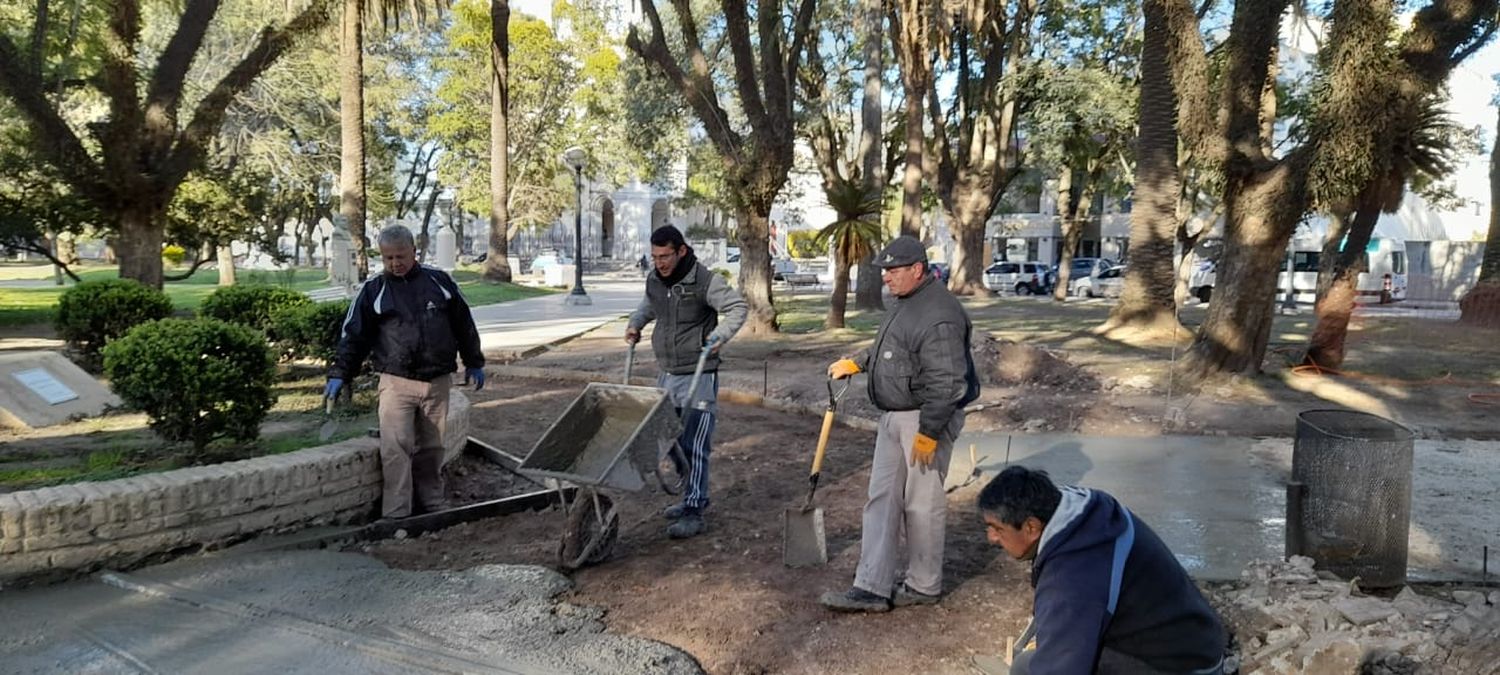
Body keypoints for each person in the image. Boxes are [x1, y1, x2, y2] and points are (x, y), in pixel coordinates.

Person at [820, 235, 980, 612]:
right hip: (894, 416)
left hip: (924, 418)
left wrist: (929, 432)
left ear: (917, 270)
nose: (886, 278)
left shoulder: (939, 313)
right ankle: (872, 586)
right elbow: (891, 349)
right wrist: (859, 362)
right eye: (884, 271)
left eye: (893, 271)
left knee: (921, 504)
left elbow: (948, 382)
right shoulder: (907, 301)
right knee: (882, 498)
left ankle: (924, 585)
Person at [973, 466, 1227, 674]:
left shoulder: (1072, 580)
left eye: (998, 528)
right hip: (1196, 640)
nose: (991, 538)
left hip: (1183, 666)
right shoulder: (1082, 511)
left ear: (1031, 527)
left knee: (1025, 668)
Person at [327, 225, 486, 520]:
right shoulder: (374, 291)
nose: (395, 263)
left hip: (436, 382)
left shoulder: (439, 283)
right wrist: (340, 373)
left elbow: (464, 323)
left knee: (432, 447)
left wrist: (474, 361)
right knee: (395, 449)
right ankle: (397, 512)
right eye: (388, 258)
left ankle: (432, 503)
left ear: (414, 251)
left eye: (400, 256)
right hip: (396, 382)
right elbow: (354, 336)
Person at [625, 225, 748, 539]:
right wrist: (635, 323)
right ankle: (690, 495)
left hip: (698, 375)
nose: (660, 263)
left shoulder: (704, 281)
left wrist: (720, 335)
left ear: (681, 251)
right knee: (670, 442)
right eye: (655, 257)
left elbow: (737, 308)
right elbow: (650, 305)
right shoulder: (655, 280)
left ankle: (694, 509)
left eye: (665, 256)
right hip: (667, 372)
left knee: (695, 446)